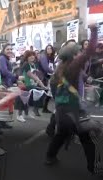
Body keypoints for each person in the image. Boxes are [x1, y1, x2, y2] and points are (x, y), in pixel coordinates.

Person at [45, 23, 98, 174]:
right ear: (74, 55)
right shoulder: (73, 66)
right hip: (73, 110)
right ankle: (93, 167)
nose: (81, 53)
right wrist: (93, 30)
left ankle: (50, 156)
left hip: (62, 110)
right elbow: (90, 50)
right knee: (86, 137)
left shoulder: (59, 69)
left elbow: (55, 92)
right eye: (78, 52)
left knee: (61, 134)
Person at [17, 50, 48, 122]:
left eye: (33, 55)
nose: (32, 57)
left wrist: (41, 84)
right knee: (23, 100)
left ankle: (27, 114)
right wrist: (42, 85)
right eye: (29, 56)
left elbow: (36, 75)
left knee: (30, 99)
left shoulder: (34, 64)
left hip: (32, 85)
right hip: (25, 85)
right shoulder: (26, 64)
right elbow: (31, 75)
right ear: (26, 57)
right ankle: (19, 115)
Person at [39, 44, 55, 114]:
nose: (49, 50)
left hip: (48, 76)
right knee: (45, 92)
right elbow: (46, 67)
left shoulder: (51, 57)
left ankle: (44, 108)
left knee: (48, 92)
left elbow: (51, 66)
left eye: (50, 48)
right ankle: (41, 108)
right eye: (48, 48)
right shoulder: (44, 57)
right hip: (43, 76)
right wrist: (54, 72)